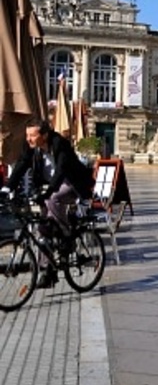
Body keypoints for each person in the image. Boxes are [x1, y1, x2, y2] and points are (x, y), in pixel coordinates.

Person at [1, 118, 95, 287]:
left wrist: (48, 191)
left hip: (72, 183)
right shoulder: (31, 147)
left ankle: (67, 236)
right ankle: (47, 272)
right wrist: (7, 188)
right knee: (43, 230)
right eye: (27, 135)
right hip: (50, 185)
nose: (28, 138)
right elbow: (21, 164)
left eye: (32, 135)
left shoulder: (60, 143)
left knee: (54, 198)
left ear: (44, 135)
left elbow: (61, 170)